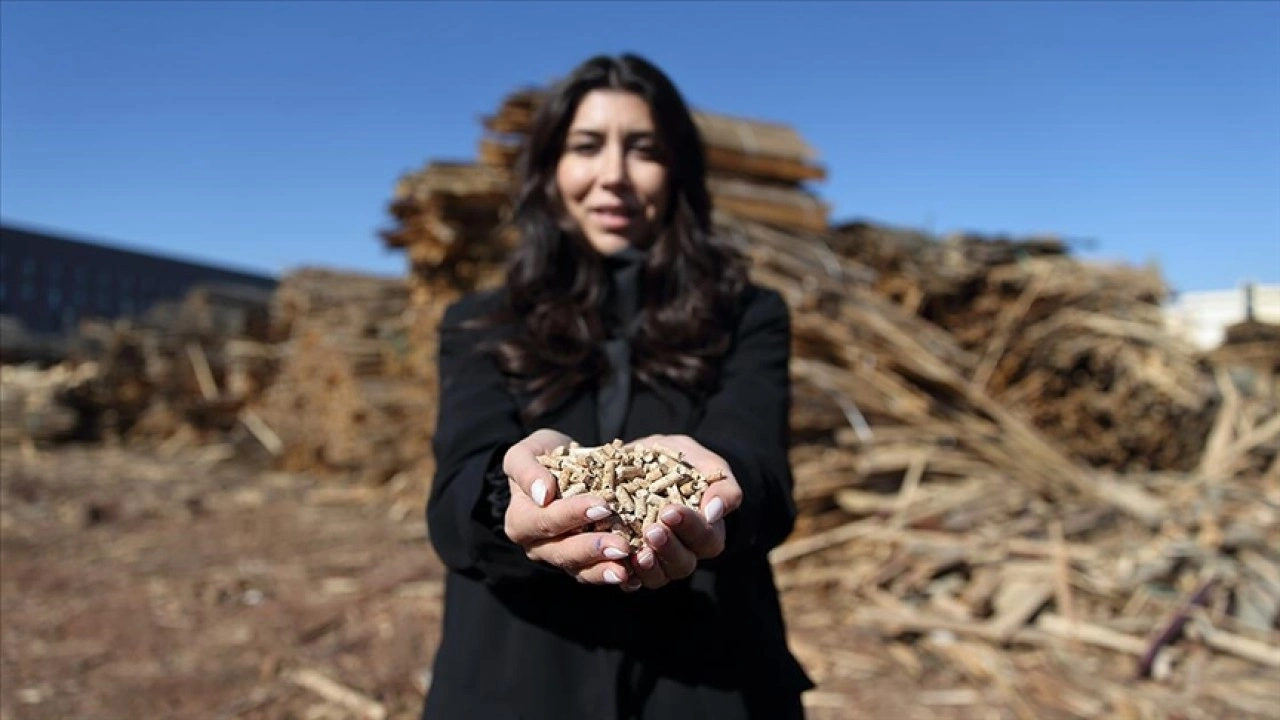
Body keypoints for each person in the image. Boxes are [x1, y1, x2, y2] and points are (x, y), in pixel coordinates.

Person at [422, 53, 814, 720]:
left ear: (679, 172)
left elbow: (761, 467)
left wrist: (720, 497)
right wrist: (505, 497)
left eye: (644, 150)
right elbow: (457, 487)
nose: (613, 177)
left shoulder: (748, 313)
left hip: (710, 684)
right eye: (585, 147)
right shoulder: (481, 321)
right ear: (549, 169)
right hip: (514, 682)